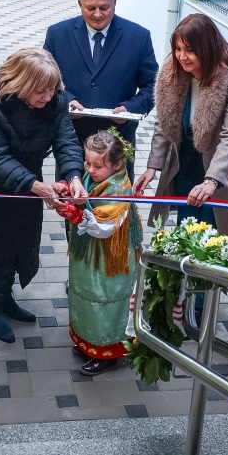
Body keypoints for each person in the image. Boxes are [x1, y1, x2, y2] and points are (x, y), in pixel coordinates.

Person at [0, 48, 87, 344]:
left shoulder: (56, 99)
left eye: (52, 89)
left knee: (18, 239)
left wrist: (75, 175)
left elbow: (66, 140)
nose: (48, 97)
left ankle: (6, 298)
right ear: (22, 84)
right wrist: (35, 185)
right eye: (41, 91)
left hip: (26, 178)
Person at [133, 13, 228, 234]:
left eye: (190, 50)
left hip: (224, 166)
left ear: (208, 48)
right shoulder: (172, 68)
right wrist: (153, 166)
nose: (182, 57)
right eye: (178, 49)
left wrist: (212, 180)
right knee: (188, 225)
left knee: (221, 231)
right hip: (187, 158)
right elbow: (164, 120)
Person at [45, 0, 158, 181]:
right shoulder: (57, 35)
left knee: (114, 207)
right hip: (72, 139)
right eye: (91, 8)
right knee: (73, 207)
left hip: (117, 143)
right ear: (80, 4)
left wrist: (131, 107)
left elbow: (154, 86)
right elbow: (46, 81)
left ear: (115, 2)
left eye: (104, 7)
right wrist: (67, 100)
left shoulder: (138, 37)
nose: (97, 14)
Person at [66, 129, 142, 376]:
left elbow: (103, 229)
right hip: (90, 254)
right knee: (85, 294)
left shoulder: (119, 190)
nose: (90, 170)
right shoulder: (94, 179)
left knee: (104, 299)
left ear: (118, 164)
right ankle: (87, 342)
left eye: (97, 165)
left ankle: (107, 352)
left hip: (108, 257)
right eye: (87, 162)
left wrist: (78, 213)